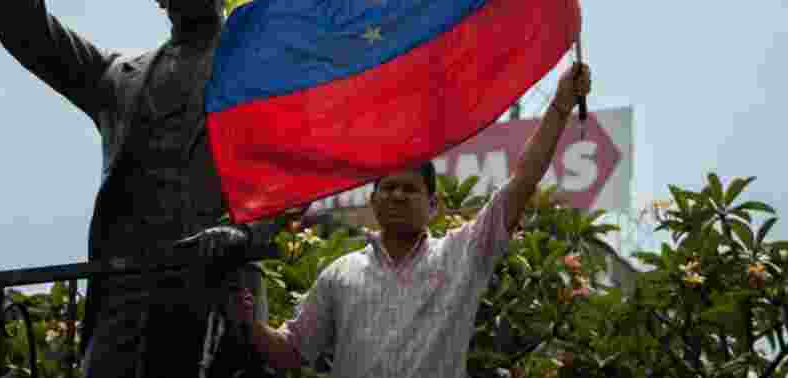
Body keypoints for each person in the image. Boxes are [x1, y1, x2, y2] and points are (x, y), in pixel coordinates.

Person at [0, 0, 278, 377]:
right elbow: (24, 28)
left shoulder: (262, 72)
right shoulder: (115, 77)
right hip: (124, 299)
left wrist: (244, 233)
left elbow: (295, 169)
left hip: (216, 291)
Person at [233, 62, 592, 378]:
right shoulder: (339, 275)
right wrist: (252, 326)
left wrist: (561, 105)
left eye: (410, 188)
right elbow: (292, 351)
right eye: (388, 187)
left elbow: (522, 183)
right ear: (373, 202)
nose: (398, 195)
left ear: (433, 205)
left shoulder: (463, 256)